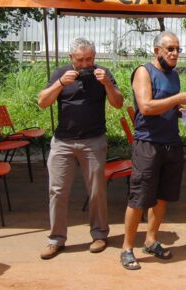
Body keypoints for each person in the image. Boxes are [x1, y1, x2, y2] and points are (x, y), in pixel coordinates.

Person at [37, 38, 123, 260]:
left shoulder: (102, 73)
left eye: (90, 59)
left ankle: (100, 234)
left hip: (93, 141)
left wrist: (107, 84)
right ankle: (56, 239)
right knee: (56, 191)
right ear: (70, 59)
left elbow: (118, 103)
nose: (85, 64)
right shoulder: (60, 73)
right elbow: (42, 102)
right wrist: (61, 84)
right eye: (80, 60)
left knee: (96, 190)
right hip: (63, 141)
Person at [121, 32, 186, 270]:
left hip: (170, 143)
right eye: (169, 49)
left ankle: (151, 240)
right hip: (148, 144)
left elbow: (167, 106)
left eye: (177, 49)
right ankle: (127, 248)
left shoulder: (173, 75)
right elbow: (146, 106)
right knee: (139, 198)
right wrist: (176, 100)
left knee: (163, 196)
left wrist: (182, 112)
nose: (174, 53)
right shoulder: (144, 72)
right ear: (157, 51)